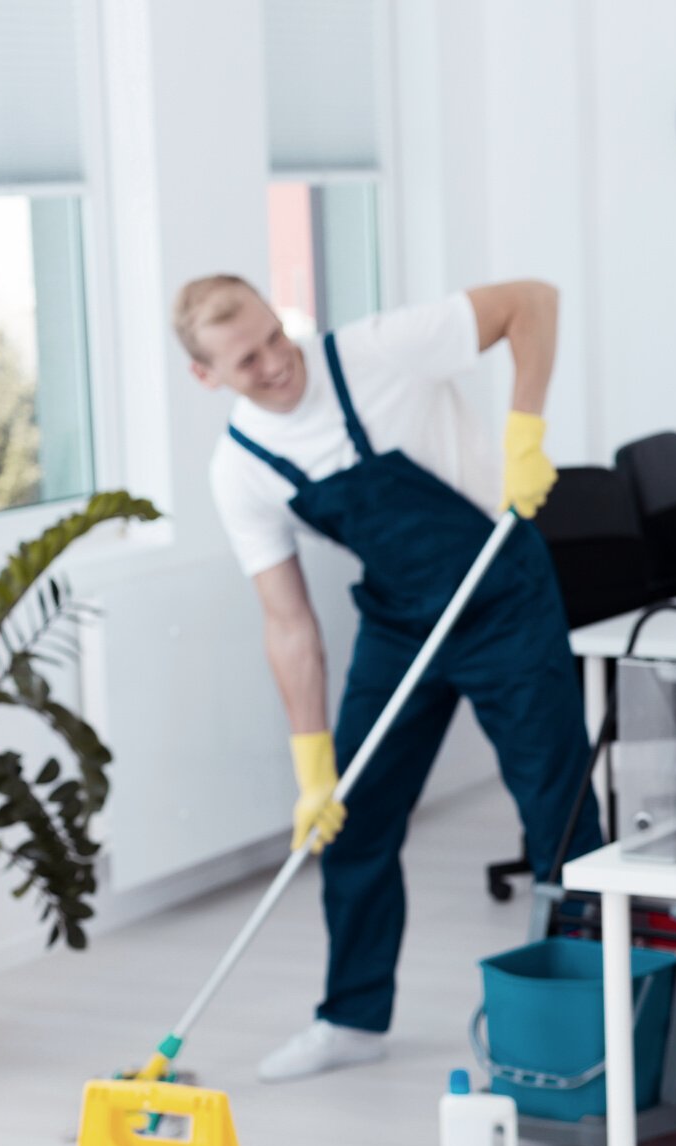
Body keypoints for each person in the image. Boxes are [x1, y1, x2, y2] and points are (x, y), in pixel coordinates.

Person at [174, 276, 601, 1082]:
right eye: (246, 360)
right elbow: (288, 623)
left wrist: (526, 432)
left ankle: (595, 1011)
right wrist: (312, 769)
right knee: (354, 815)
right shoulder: (242, 470)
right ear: (206, 375)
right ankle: (352, 1018)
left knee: (559, 805)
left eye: (274, 336)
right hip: (402, 620)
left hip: (502, 594)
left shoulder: (376, 350)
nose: (275, 363)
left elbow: (534, 301)